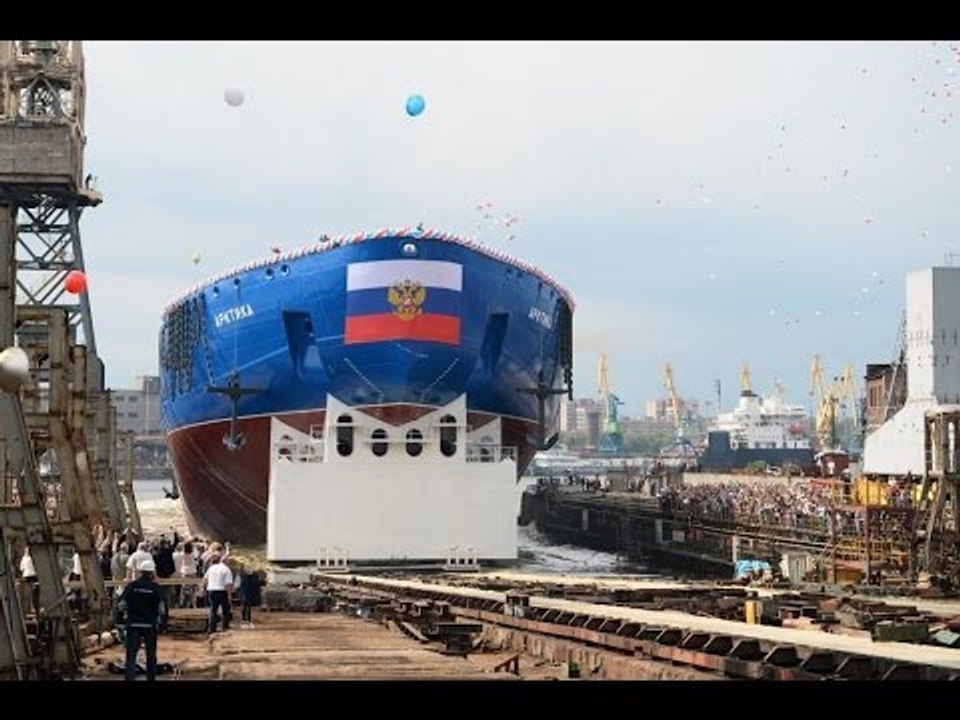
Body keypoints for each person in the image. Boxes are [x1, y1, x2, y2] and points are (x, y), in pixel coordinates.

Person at [116, 559, 167, 681]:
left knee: (131, 656)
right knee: (150, 655)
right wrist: (162, 624)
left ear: (140, 572)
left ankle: (129, 678)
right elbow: (162, 609)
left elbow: (121, 605)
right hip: (150, 625)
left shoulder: (131, 587)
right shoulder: (156, 588)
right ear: (152, 573)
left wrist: (120, 621)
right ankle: (151, 678)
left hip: (133, 625)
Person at [203, 553, 233, 633]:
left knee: (213, 609)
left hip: (212, 590)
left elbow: (205, 580)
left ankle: (212, 628)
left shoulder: (211, 568)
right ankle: (225, 626)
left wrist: (204, 589)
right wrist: (229, 595)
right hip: (222, 590)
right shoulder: (226, 569)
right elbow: (228, 584)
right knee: (225, 609)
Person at [19, 547, 39, 615]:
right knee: (33, 592)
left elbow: (21, 568)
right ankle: (33, 607)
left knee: (29, 593)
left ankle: (31, 607)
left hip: (27, 576)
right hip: (33, 576)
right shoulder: (32, 558)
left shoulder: (24, 558)